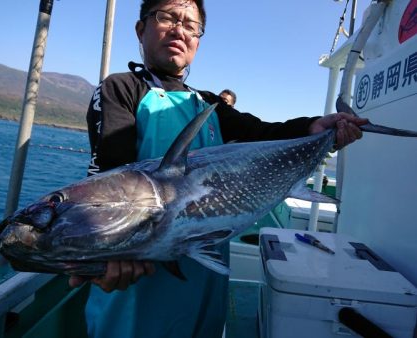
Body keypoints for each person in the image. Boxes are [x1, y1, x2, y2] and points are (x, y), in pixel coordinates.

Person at [69, 1, 367, 337]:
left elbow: (263, 134)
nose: (179, 30)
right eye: (167, 18)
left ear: (198, 39)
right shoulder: (121, 89)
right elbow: (110, 183)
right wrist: (107, 253)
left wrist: (317, 128)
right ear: (141, 29)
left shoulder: (208, 104)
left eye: (191, 26)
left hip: (205, 281)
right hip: (137, 286)